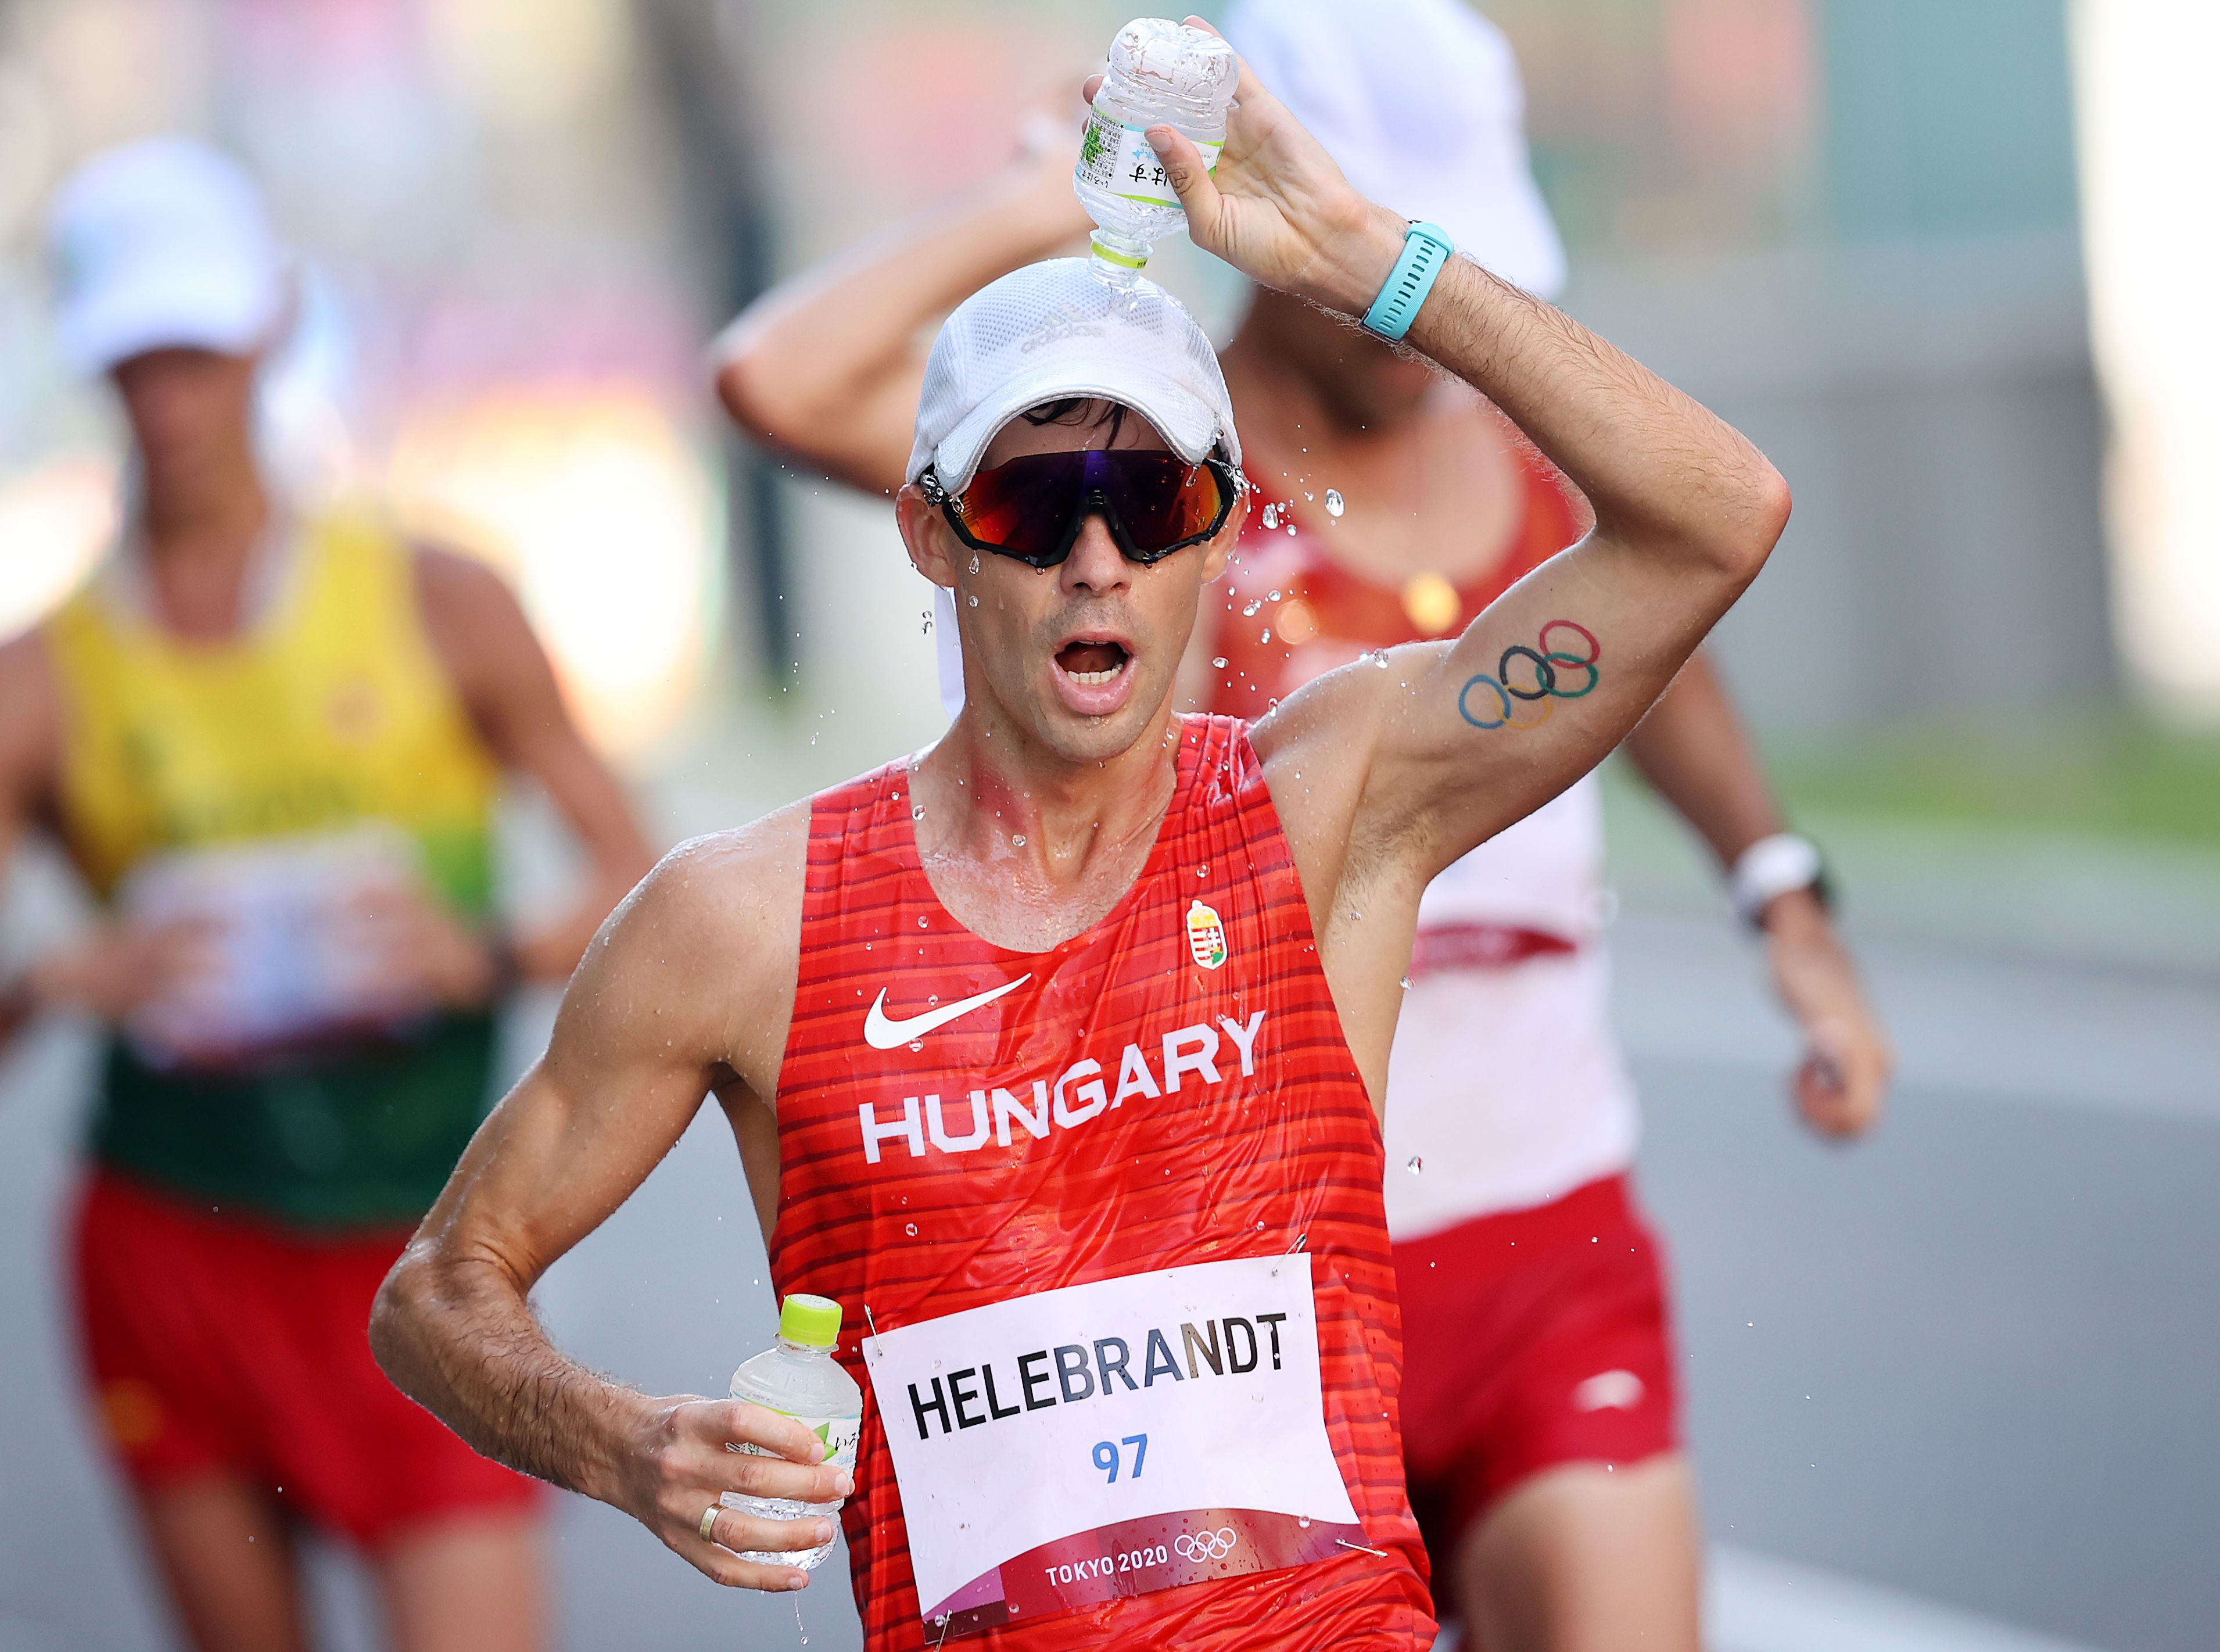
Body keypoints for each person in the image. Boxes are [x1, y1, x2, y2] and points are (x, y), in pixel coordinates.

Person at [368, 28, 1797, 1652]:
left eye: (1156, 501)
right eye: (1039, 504)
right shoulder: (742, 924)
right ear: (934, 532)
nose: (1099, 558)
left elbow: (1720, 516)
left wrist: (1368, 264)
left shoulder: (1322, 805)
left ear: (1221, 526)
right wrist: (624, 1445)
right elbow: (437, 1293)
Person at [0, 138, 655, 1652]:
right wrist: (59, 975)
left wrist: (482, 949)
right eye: (133, 362)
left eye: (197, 349)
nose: (170, 400)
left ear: (273, 323)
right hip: (176, 1244)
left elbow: (637, 869)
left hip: (430, 1243)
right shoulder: (44, 680)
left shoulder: (437, 599)